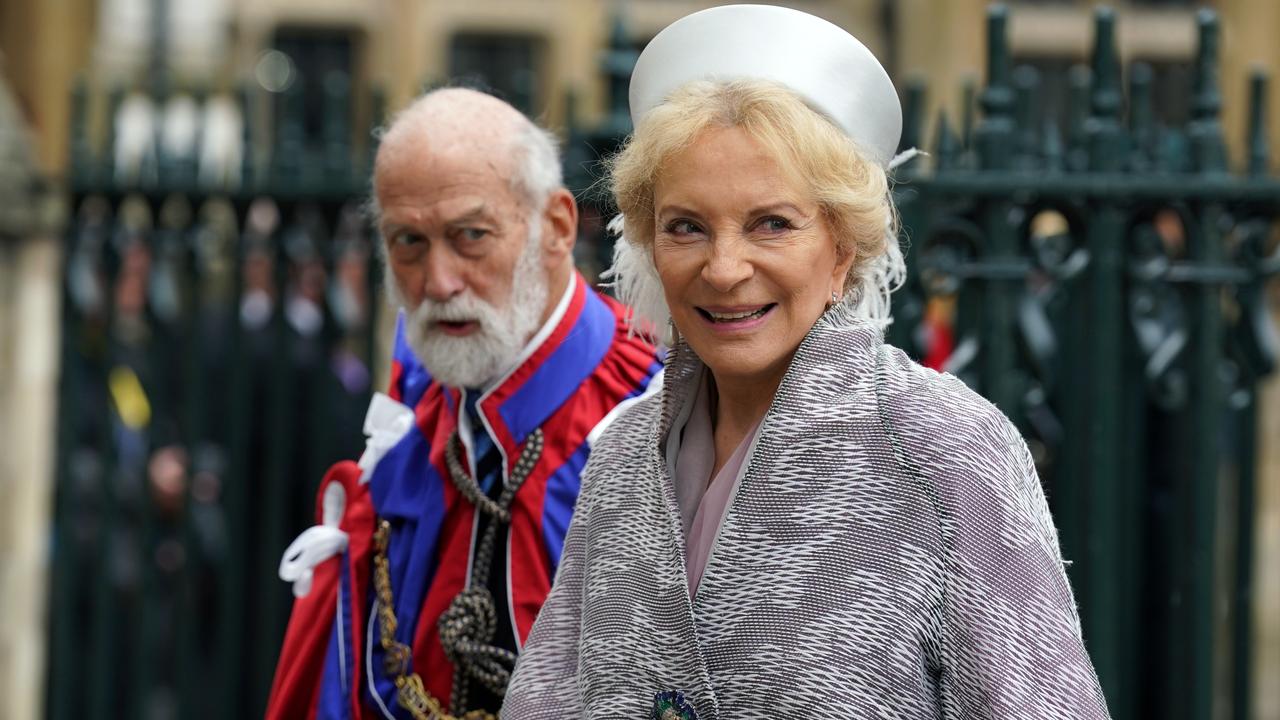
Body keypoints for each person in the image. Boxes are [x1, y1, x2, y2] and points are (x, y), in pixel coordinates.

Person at [503, 6, 1111, 719]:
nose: (724, 269)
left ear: (842, 248)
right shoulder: (622, 457)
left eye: (771, 224)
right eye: (687, 228)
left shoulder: (946, 447)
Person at [266, 88, 664, 719]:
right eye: (409, 243)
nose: (439, 281)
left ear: (556, 228)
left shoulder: (657, 416)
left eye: (470, 235)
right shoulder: (414, 418)